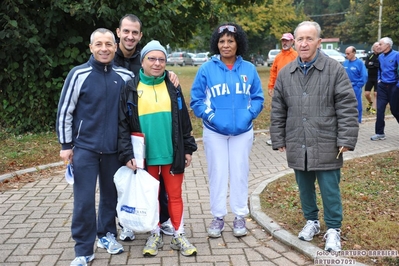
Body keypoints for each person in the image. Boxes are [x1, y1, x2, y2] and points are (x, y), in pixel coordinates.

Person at [270, 21, 359, 252]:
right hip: (298, 141)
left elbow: (347, 106)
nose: (304, 43)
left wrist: (346, 139)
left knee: (330, 188)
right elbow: (278, 108)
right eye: (300, 39)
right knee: (304, 187)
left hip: (328, 142)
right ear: (294, 42)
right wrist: (278, 138)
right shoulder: (286, 73)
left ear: (319, 42)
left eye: (310, 39)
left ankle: (333, 229)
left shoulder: (334, 69)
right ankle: (312, 221)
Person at [56, 28, 134, 266]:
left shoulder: (125, 76)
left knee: (110, 198)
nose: (104, 48)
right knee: (84, 201)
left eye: (108, 44)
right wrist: (66, 145)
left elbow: (132, 114)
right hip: (85, 150)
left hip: (113, 150)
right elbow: (65, 111)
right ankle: (83, 249)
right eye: (98, 44)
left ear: (115, 46)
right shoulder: (78, 74)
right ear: (91, 48)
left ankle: (107, 235)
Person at [118, 40, 198, 257]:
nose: (157, 63)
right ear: (142, 61)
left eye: (161, 59)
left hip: (172, 152)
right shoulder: (131, 87)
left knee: (174, 195)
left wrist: (188, 147)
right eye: (151, 59)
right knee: (151, 197)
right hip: (145, 156)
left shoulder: (173, 85)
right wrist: (126, 154)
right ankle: (154, 233)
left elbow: (183, 119)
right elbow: (123, 124)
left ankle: (179, 234)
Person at [190, 23, 264, 239]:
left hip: (243, 131)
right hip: (215, 131)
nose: (226, 45)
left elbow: (258, 97)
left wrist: (249, 115)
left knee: (240, 172)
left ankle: (240, 215)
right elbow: (196, 100)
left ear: (238, 42)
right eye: (222, 41)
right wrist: (211, 116)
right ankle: (218, 216)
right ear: (216, 44)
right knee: (218, 173)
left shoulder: (248, 69)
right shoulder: (206, 69)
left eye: (230, 40)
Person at [114, 14, 178, 240]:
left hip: (142, 136)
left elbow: (157, 74)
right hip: (117, 132)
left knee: (153, 185)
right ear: (118, 32)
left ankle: (159, 221)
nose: (130, 36)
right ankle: (126, 223)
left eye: (135, 33)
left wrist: (169, 76)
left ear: (140, 36)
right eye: (126, 31)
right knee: (124, 183)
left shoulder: (148, 60)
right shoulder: (108, 59)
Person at [266, 32, 298, 145]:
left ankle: (292, 136)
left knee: (292, 112)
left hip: (293, 89)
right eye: (283, 40)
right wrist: (271, 86)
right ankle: (275, 137)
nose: (284, 43)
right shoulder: (278, 56)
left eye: (287, 40)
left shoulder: (296, 56)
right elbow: (273, 71)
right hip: (279, 89)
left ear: (292, 42)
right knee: (277, 112)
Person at [370, 37, 399, 141]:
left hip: (394, 86)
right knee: (380, 109)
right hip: (382, 86)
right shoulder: (380, 57)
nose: (379, 46)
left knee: (395, 110)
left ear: (387, 45)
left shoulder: (397, 55)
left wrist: (397, 85)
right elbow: (380, 70)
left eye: (381, 44)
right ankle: (379, 133)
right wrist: (379, 80)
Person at [343, 46, 368, 123]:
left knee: (357, 104)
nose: (346, 55)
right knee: (345, 104)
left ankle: (357, 120)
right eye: (345, 53)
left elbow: (364, 75)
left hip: (355, 86)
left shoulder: (359, 63)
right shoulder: (345, 62)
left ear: (354, 53)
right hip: (346, 87)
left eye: (348, 53)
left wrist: (358, 85)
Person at [364, 42, 380, 114]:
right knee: (367, 93)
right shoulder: (370, 55)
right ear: (373, 48)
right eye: (376, 46)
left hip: (378, 77)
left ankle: (374, 108)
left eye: (378, 46)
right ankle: (370, 102)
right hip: (370, 77)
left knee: (376, 93)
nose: (377, 47)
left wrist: (372, 64)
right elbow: (367, 65)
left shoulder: (381, 56)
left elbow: (379, 65)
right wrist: (374, 64)